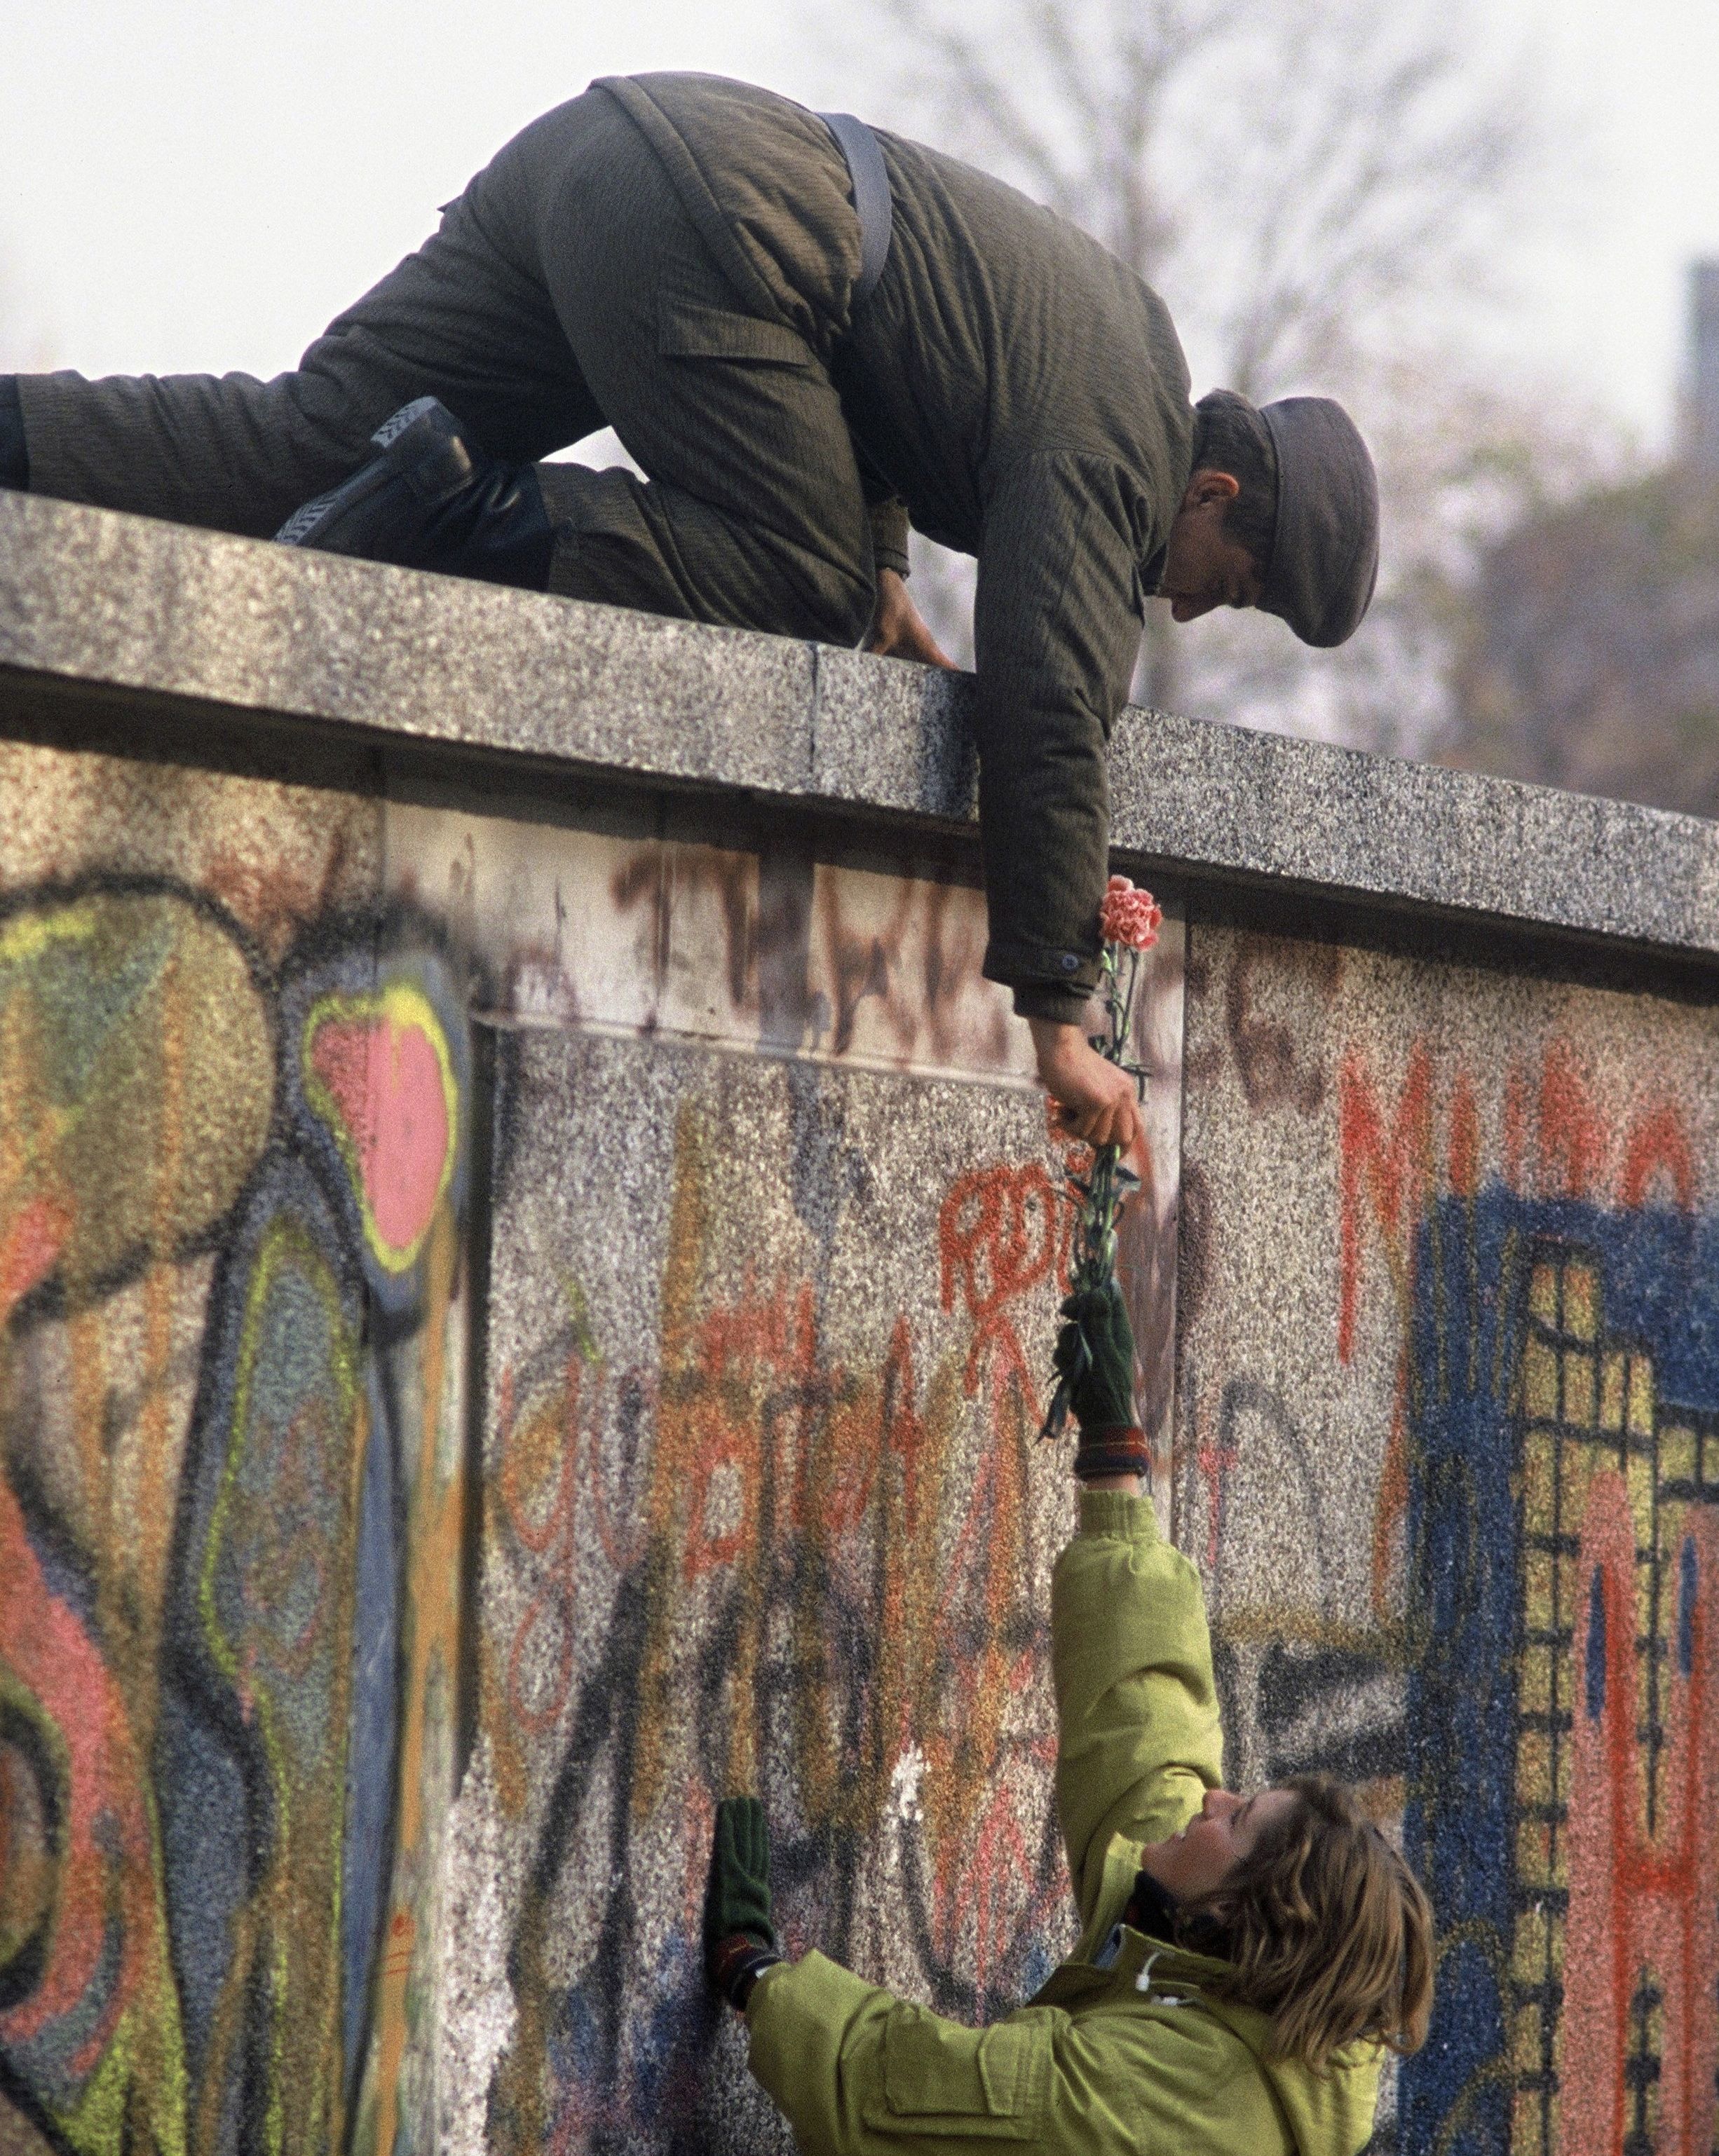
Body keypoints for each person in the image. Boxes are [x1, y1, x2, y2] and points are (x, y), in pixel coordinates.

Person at [0, 74, 1378, 1157]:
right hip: (714, 228)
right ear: (1209, 489)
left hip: (613, 152)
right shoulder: (1118, 451)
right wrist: (1057, 1013)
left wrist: (888, 569)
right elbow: (1047, 706)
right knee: (802, 580)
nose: (1194, 609)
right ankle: (459, 514)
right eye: (1230, 583)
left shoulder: (1110, 340)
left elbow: (906, 351)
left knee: (303, 444)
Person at [703, 1281, 1431, 2153]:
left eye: (1235, 1820)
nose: (1212, 1799)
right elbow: (1147, 1745)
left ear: (1251, 1917)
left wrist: (757, 1977)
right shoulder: (1246, 1995)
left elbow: (922, 2102)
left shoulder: (1165, 2118)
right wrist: (1116, 1458)